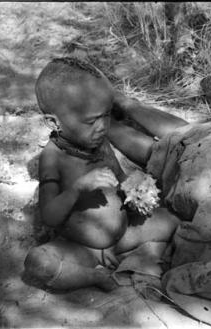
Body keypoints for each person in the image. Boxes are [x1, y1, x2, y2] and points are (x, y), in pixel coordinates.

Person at [23, 57, 184, 291]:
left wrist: (135, 191)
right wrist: (78, 188)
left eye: (106, 115)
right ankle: (93, 277)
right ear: (53, 122)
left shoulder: (99, 142)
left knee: (178, 218)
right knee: (39, 263)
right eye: (91, 121)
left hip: (124, 233)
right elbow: (49, 216)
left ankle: (125, 254)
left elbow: (118, 177)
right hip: (83, 247)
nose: (102, 127)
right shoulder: (54, 157)